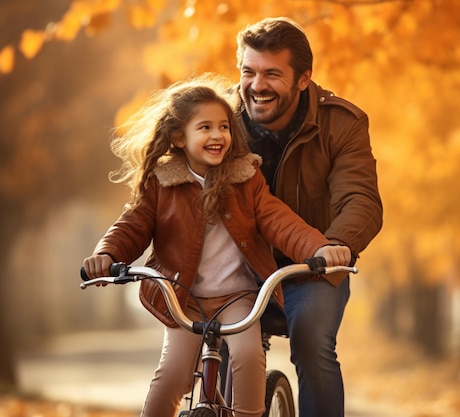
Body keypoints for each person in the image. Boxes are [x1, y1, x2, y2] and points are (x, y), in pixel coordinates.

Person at [81, 73, 352, 417]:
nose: (217, 135)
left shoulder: (245, 178)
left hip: (237, 298)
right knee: (171, 377)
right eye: (205, 127)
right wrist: (106, 254)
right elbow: (132, 226)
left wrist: (319, 248)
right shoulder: (162, 183)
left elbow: (279, 221)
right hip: (184, 298)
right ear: (178, 137)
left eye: (224, 127)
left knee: (249, 359)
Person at [231, 17, 384, 417]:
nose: (257, 85)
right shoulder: (218, 119)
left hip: (311, 265)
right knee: (210, 343)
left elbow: (361, 199)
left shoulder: (342, 124)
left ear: (303, 79)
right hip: (237, 264)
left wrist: (337, 245)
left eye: (272, 74)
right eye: (248, 72)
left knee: (313, 341)